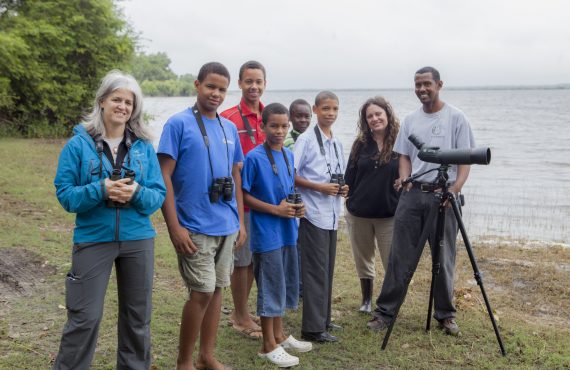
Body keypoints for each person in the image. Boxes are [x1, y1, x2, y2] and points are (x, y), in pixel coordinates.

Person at [52, 70, 166, 370]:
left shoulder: (143, 147)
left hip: (138, 240)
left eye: (129, 102)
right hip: (92, 238)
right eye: (117, 99)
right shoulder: (78, 145)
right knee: (84, 318)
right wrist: (101, 189)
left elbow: (157, 196)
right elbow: (65, 196)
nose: (123, 107)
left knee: (137, 319)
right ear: (102, 101)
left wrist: (136, 192)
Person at [367, 66, 476, 336]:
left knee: (444, 256)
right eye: (417, 85)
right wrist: (405, 179)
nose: (422, 89)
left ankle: (445, 315)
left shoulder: (457, 118)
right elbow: (404, 156)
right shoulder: (411, 120)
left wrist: (455, 189)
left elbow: (466, 159)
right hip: (413, 196)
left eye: (427, 84)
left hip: (445, 197)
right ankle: (385, 313)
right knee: (399, 257)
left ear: (439, 84)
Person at [158, 62, 246, 370]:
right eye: (210, 86)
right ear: (197, 85)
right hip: (193, 225)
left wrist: (241, 222)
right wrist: (174, 227)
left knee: (218, 289)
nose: (216, 94)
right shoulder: (178, 124)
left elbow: (235, 176)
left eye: (222, 89)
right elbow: (163, 177)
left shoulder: (229, 128)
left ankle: (207, 357)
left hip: (226, 224)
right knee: (202, 292)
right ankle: (184, 362)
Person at [242, 103, 312, 368]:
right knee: (270, 286)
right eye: (274, 126)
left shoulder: (286, 155)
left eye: (284, 126)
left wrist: (298, 206)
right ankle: (267, 345)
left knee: (283, 283)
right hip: (266, 231)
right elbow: (244, 194)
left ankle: (280, 335)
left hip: (287, 230)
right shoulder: (254, 157)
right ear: (262, 126)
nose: (280, 131)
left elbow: (289, 188)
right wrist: (274, 209)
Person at [293, 91, 348, 343]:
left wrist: (343, 188)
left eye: (335, 109)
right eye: (326, 108)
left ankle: (324, 319)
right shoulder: (305, 140)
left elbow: (336, 176)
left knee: (327, 270)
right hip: (313, 213)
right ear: (315, 110)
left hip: (332, 214)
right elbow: (290, 175)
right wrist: (319, 187)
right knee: (315, 271)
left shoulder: (336, 143)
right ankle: (312, 329)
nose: (331, 113)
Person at [220, 60, 266, 339]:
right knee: (242, 261)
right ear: (239, 83)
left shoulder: (268, 115)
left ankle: (245, 311)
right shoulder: (227, 118)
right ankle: (239, 315)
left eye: (259, 81)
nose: (254, 86)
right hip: (241, 201)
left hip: (266, 202)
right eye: (248, 81)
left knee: (254, 260)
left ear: (265, 84)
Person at [345, 96, 400, 314]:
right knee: (363, 258)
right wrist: (347, 198)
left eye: (378, 114)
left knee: (391, 261)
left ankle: (388, 304)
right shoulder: (360, 144)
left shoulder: (400, 141)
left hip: (390, 213)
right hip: (359, 213)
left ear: (387, 114)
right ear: (365, 120)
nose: (375, 118)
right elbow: (349, 175)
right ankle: (366, 300)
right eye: (370, 116)